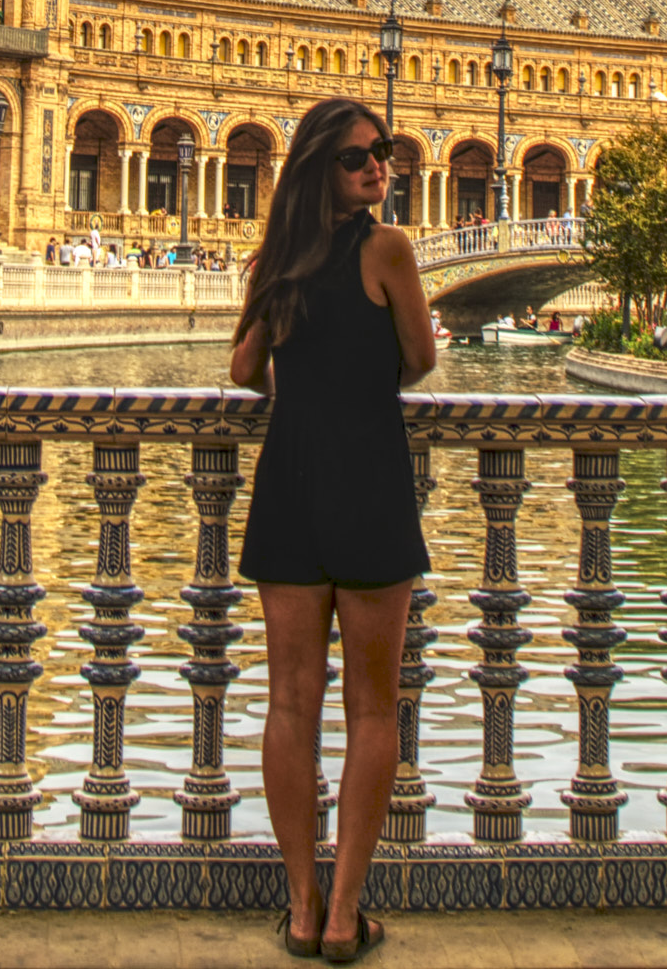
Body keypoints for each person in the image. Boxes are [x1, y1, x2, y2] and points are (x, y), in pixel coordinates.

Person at [232, 97, 433, 965]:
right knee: (372, 707)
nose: (378, 169)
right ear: (324, 168)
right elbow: (421, 357)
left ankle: (301, 904)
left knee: (289, 703)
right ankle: (345, 913)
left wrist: (295, 352)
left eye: (383, 154)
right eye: (361, 158)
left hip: (290, 477)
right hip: (370, 478)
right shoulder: (386, 248)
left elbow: (241, 369)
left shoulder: (273, 259)